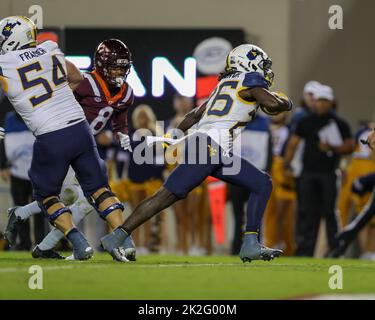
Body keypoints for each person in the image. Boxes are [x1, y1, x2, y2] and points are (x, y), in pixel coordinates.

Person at [99, 44, 293, 262]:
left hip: (207, 146)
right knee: (165, 197)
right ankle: (117, 236)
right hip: (208, 148)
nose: (264, 70)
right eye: (262, 65)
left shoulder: (225, 84)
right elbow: (272, 103)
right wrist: (285, 101)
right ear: (248, 62)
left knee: (261, 183)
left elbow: (193, 115)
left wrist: (174, 136)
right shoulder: (250, 80)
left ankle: (250, 243)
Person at [0, 16, 126, 260]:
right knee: (100, 190)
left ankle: (79, 243)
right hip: (80, 130)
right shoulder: (49, 48)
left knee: (47, 196)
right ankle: (124, 242)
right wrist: (56, 97)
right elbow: (76, 77)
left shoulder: (4, 63)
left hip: (51, 135)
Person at [283, 84, 354, 256]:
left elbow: (350, 146)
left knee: (329, 212)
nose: (321, 104)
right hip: (308, 173)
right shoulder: (305, 121)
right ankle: (305, 251)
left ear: (331, 103)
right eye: (319, 101)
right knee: (308, 213)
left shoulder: (339, 123)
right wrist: (287, 164)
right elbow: (293, 143)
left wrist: (331, 147)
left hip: (329, 174)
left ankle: (334, 249)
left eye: (325, 101)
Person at [1, 111, 46, 250]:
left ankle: (41, 242)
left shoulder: (38, 116)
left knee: (40, 208)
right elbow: (2, 141)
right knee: (20, 209)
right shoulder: (9, 118)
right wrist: (3, 165)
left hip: (38, 171)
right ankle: (24, 242)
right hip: (16, 171)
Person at [263, 111, 296, 256]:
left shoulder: (289, 130)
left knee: (286, 209)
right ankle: (270, 242)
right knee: (270, 209)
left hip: (282, 170)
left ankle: (287, 245)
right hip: (267, 168)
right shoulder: (264, 127)